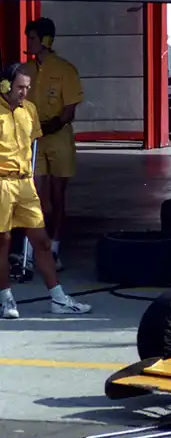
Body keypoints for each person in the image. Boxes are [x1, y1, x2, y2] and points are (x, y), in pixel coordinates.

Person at [0, 62, 91, 319]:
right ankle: (5, 298)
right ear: (5, 86)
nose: (24, 93)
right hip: (2, 184)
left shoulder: (29, 110)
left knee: (41, 241)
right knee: (3, 243)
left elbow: (33, 146)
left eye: (27, 87)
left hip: (25, 183)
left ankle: (58, 298)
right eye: (19, 87)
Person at [23, 17, 84, 272]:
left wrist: (52, 125)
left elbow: (70, 109)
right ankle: (32, 248)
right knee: (35, 194)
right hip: (34, 139)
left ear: (46, 40)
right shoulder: (25, 70)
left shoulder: (65, 70)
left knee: (58, 195)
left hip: (57, 136)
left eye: (33, 38)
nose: (29, 43)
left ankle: (55, 247)